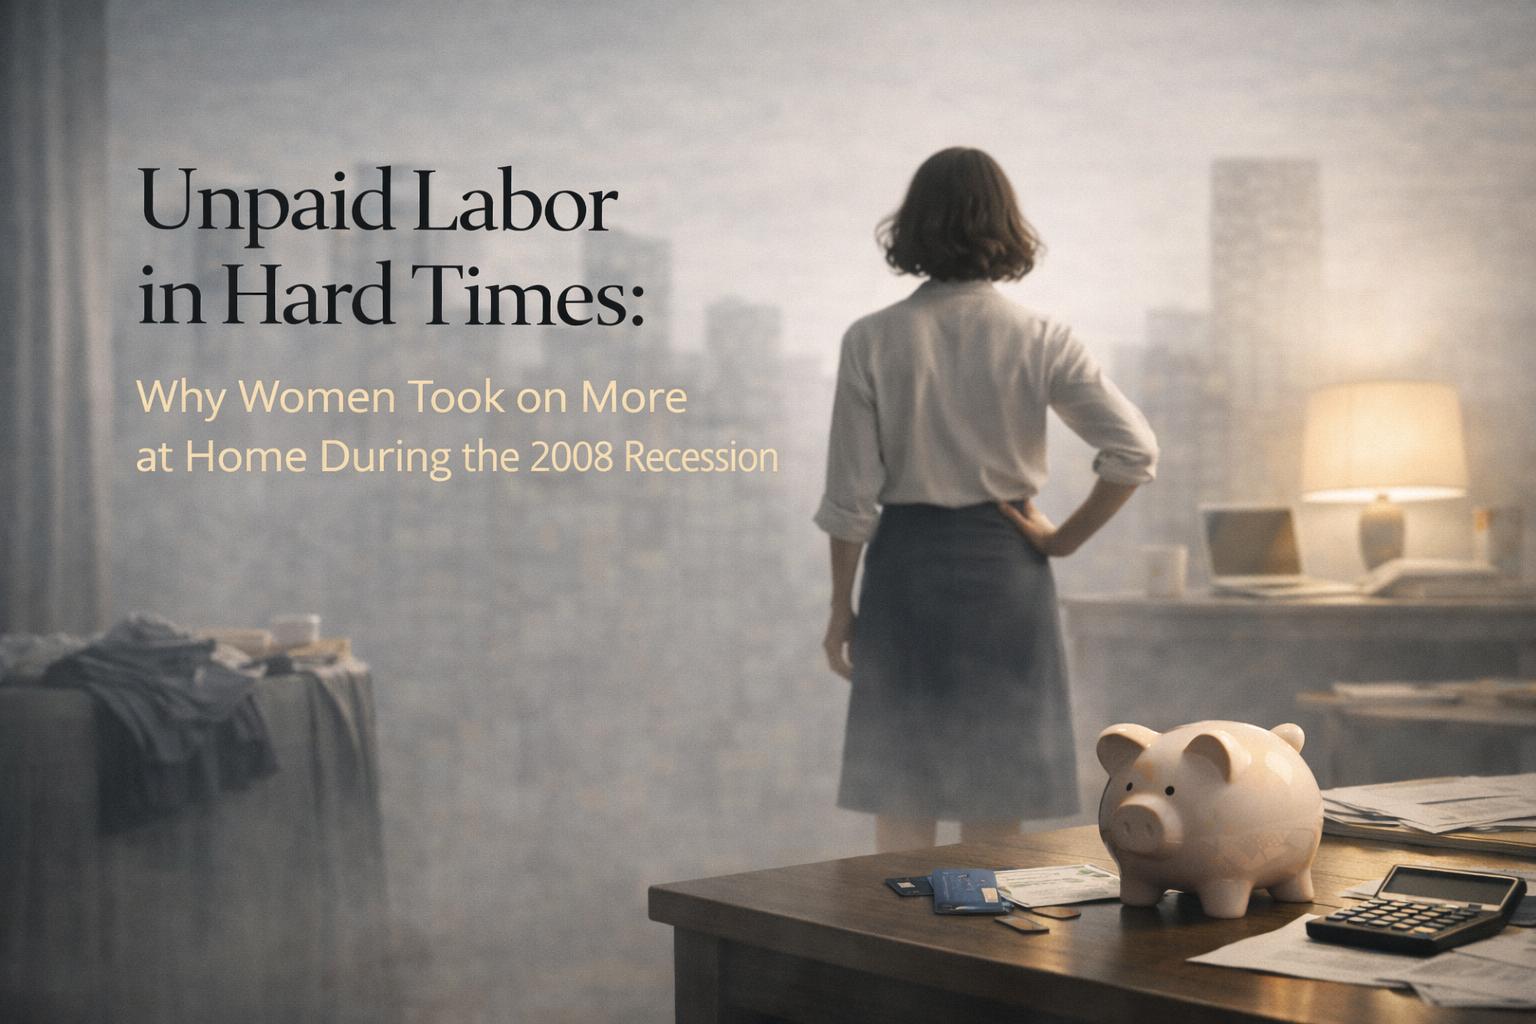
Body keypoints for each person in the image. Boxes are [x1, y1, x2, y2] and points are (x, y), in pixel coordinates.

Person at [814, 147, 1158, 853]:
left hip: (904, 569)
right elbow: (1134, 452)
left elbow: (850, 499)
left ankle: (904, 944)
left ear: (912, 226)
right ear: (1006, 225)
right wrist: (1059, 541)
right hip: (1005, 571)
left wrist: (840, 608)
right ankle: (982, 943)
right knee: (996, 788)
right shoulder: (1042, 337)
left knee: (903, 788)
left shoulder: (871, 339)